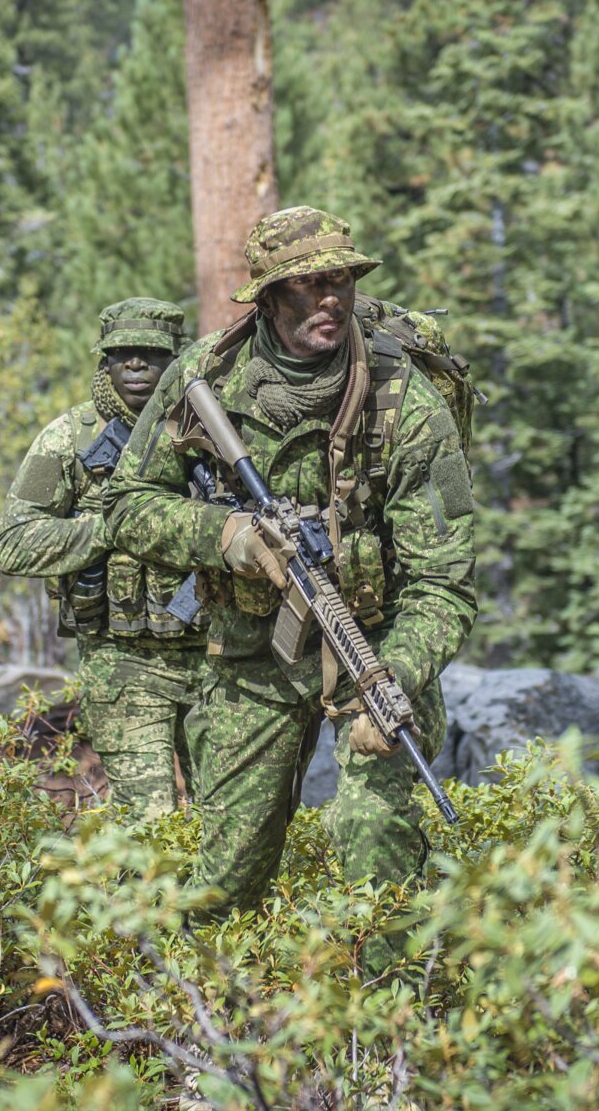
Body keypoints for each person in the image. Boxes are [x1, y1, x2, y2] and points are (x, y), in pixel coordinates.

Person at [104, 207, 477, 930]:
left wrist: (394, 678)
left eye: (341, 280)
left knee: (376, 841)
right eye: (307, 285)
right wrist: (228, 536)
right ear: (269, 298)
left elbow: (444, 584)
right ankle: (209, 1000)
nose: (329, 299)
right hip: (252, 656)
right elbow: (126, 505)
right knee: (223, 882)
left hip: (373, 645)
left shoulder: (405, 401)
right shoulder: (203, 377)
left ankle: (389, 997)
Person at [0, 298, 203, 818]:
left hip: (217, 655)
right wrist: (113, 526)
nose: (136, 365)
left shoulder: (213, 433)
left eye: (151, 355)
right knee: (148, 820)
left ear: (177, 359)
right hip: (121, 660)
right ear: (104, 362)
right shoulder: (69, 438)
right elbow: (14, 544)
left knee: (229, 823)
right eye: (122, 353)